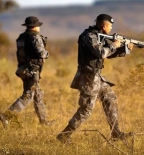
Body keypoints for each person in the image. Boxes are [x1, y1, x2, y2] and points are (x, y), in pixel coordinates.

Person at [57, 14, 134, 143]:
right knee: (86, 109)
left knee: (110, 99)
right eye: (110, 26)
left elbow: (108, 54)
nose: (111, 29)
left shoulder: (100, 36)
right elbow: (101, 53)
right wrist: (115, 44)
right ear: (104, 26)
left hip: (97, 76)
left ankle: (116, 133)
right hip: (88, 77)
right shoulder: (89, 36)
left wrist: (124, 50)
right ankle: (65, 135)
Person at [0, 16, 55, 128]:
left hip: (23, 68)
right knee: (29, 95)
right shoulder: (35, 37)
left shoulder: (21, 37)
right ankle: (7, 116)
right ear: (34, 27)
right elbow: (41, 53)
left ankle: (44, 122)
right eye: (38, 26)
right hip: (32, 70)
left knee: (38, 94)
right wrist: (47, 54)